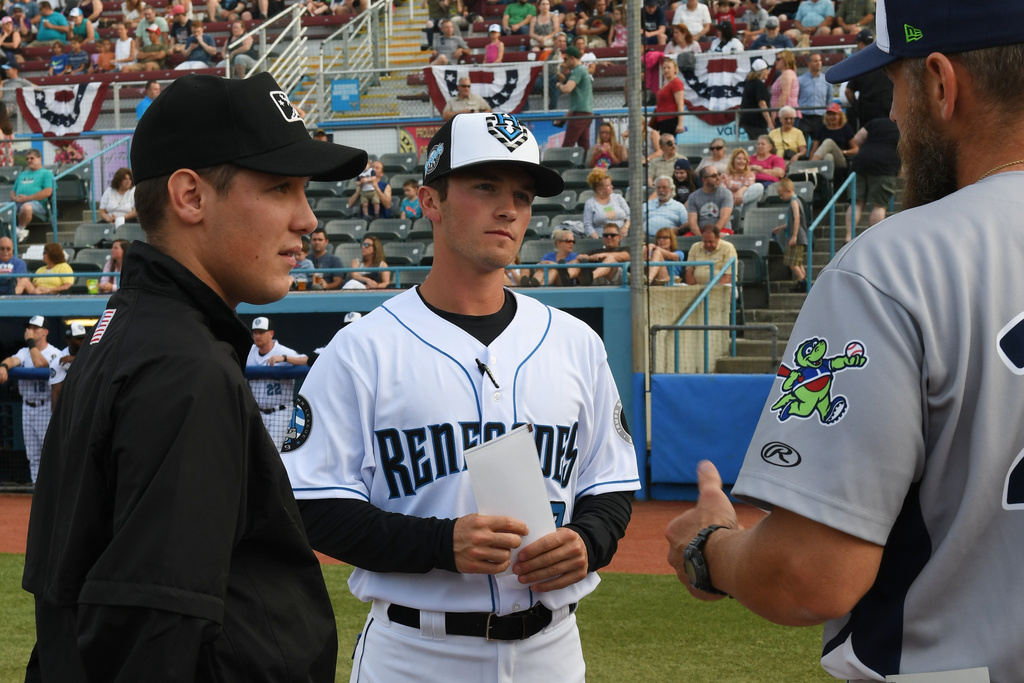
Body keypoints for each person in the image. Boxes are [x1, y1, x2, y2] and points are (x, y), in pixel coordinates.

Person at [665, 2, 1024, 680]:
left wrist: (708, 548)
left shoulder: (894, 264)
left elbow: (808, 575)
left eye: (897, 87)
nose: (893, 112)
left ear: (943, 85)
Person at [22, 72, 367, 681]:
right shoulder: (186, 369)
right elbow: (156, 633)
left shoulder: (129, 332)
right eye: (282, 188)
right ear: (190, 197)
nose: (308, 219)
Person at [283, 112, 638, 683]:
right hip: (416, 654)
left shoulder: (576, 343)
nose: (509, 209)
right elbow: (313, 506)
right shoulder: (362, 348)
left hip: (553, 651)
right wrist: (439, 543)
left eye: (521, 195)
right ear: (430, 201)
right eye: (484, 187)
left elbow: (609, 485)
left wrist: (588, 541)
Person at [0, 315, 61, 483]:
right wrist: (4, 366)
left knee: (49, 453)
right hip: (27, 407)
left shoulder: (55, 353)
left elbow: (41, 364)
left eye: (35, 328)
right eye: (30, 327)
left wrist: (31, 343)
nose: (30, 331)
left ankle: (52, 491)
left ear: (46, 332)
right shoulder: (24, 352)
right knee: (32, 455)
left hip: (46, 407)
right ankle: (36, 489)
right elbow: (13, 360)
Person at [246, 316, 308, 451]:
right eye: (255, 332)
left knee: (273, 452)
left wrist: (285, 359)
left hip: (280, 413)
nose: (257, 336)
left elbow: (307, 361)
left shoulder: (283, 351)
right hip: (258, 413)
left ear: (271, 333)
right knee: (255, 452)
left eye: (261, 332)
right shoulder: (249, 352)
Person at [844, 115, 900, 242]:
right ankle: (872, 240)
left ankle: (848, 238)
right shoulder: (903, 124)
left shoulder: (875, 122)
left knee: (856, 202)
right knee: (878, 205)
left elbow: (857, 139)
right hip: (885, 165)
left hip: (861, 162)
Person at [844, 28, 892, 130]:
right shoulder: (885, 60)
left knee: (869, 140)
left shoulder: (860, 64)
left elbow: (848, 92)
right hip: (888, 108)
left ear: (861, 44)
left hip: (868, 111)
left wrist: (857, 106)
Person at [557, 46, 594, 154]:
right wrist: (564, 118)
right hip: (585, 113)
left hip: (580, 115)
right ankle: (586, 167)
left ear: (572, 58)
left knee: (568, 144)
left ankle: (563, 169)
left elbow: (567, 88)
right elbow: (577, 101)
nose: (565, 62)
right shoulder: (580, 70)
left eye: (566, 59)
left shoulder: (579, 70)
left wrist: (560, 85)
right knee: (584, 146)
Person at [10, 149, 53, 242]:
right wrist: (15, 198)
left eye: (32, 158)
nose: (29, 160)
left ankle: (20, 230)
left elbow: (48, 192)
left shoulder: (47, 173)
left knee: (27, 207)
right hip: (17, 202)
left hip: (38, 204)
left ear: (39, 159)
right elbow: (13, 191)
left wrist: (27, 198)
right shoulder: (22, 174)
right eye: (27, 159)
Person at [771, 176, 806, 289]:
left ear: (789, 191)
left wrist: (794, 236)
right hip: (798, 236)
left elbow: (797, 219)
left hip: (797, 237)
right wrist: (781, 227)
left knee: (791, 262)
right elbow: (792, 221)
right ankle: (802, 280)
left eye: (782, 195)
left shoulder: (794, 202)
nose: (781, 198)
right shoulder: (795, 201)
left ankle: (803, 282)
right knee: (798, 261)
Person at [809, 101, 857, 171]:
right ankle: (828, 180)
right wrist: (810, 158)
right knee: (828, 156)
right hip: (824, 159)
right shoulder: (821, 129)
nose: (831, 117)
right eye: (829, 115)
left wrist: (844, 152)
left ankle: (810, 166)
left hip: (841, 159)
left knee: (828, 142)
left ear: (840, 115)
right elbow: (814, 149)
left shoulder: (846, 129)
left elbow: (856, 149)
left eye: (834, 114)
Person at [686, 166, 734, 236]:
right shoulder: (693, 197)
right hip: (701, 231)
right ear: (704, 180)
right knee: (685, 240)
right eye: (714, 176)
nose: (718, 178)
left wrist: (711, 234)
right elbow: (692, 222)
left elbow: (724, 218)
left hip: (721, 230)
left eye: (718, 174)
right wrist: (699, 236)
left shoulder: (726, 194)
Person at [582, 167, 629, 238]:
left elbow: (630, 215)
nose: (612, 186)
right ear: (599, 189)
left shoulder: (618, 198)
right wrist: (596, 238)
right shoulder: (590, 203)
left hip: (622, 236)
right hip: (602, 237)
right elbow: (588, 225)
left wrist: (626, 227)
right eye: (608, 186)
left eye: (611, 184)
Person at [48, 320, 87, 404]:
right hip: (70, 403)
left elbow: (97, 361)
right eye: (79, 339)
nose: (83, 341)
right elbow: (56, 393)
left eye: (84, 338)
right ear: (69, 340)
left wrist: (74, 359)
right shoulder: (58, 361)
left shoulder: (90, 352)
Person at [739, 56, 774, 141]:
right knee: (764, 142)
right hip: (756, 123)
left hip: (748, 121)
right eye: (767, 70)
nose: (768, 73)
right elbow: (762, 103)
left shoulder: (749, 83)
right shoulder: (759, 84)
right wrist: (770, 123)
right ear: (761, 71)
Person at [650, 57, 686, 137]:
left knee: (667, 143)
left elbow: (680, 104)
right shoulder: (665, 83)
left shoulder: (676, 83)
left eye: (669, 68)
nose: (666, 70)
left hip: (670, 118)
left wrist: (680, 124)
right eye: (664, 68)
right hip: (661, 119)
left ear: (675, 69)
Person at [796, 53, 829, 136]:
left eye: (820, 60)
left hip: (820, 116)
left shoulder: (827, 80)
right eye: (815, 61)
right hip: (805, 117)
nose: (818, 63)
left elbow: (829, 99)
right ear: (809, 64)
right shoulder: (801, 80)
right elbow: (797, 97)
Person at [308, 225, 344, 290]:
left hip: (327, 293)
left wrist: (327, 286)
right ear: (310, 241)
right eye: (314, 239)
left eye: (320, 240)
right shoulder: (305, 259)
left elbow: (338, 281)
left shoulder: (334, 260)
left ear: (326, 242)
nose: (317, 242)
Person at [769, 49, 800, 125]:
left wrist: (774, 113)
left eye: (778, 59)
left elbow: (785, 94)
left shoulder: (787, 73)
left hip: (786, 114)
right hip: (784, 112)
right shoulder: (785, 74)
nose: (776, 62)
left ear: (786, 60)